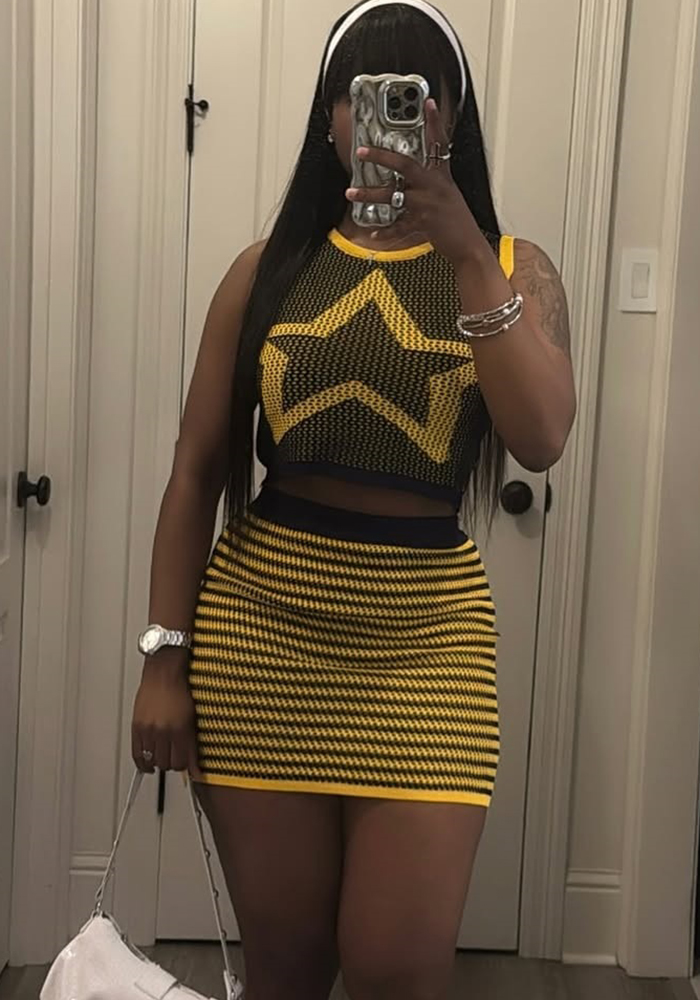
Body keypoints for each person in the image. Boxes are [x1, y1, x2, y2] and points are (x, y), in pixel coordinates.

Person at [131, 1, 576, 997]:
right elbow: (195, 470)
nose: (381, 118)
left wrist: (468, 254)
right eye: (359, 93)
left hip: (428, 652)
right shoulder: (266, 270)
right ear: (329, 117)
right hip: (262, 642)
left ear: (449, 118)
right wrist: (163, 659)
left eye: (415, 94)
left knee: (396, 973)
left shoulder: (513, 268)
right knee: (286, 969)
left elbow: (543, 438)